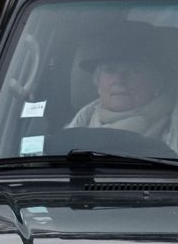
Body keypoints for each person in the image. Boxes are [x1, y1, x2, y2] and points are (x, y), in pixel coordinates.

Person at [69, 21, 178, 149]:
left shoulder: (172, 125)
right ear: (98, 83)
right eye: (110, 70)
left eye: (133, 71)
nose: (119, 79)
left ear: (158, 84)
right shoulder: (79, 126)